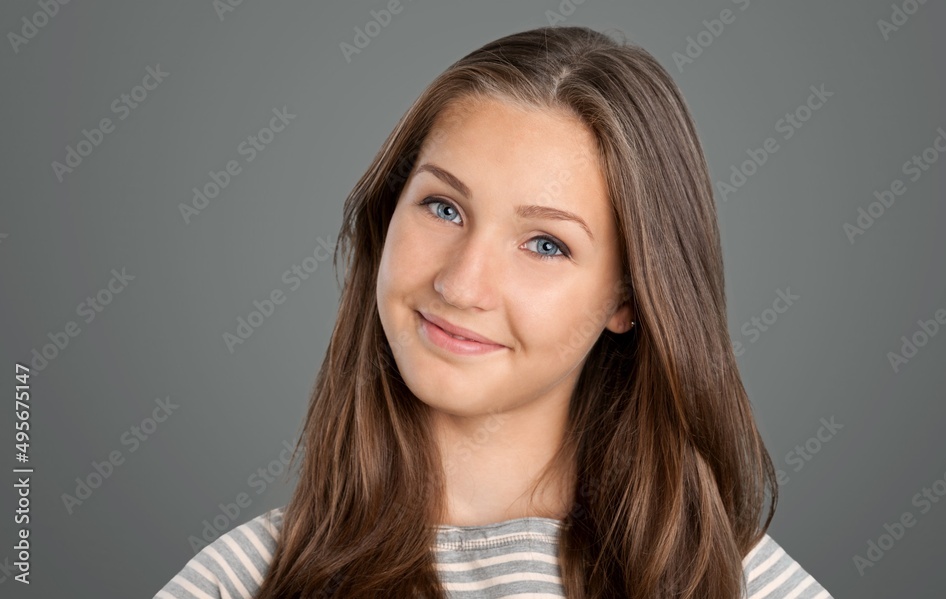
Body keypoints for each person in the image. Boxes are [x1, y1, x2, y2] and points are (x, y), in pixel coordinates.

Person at [155, 25, 834, 599]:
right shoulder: (239, 582)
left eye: (545, 243)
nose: (461, 283)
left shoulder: (736, 582)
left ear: (628, 299)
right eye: (443, 207)